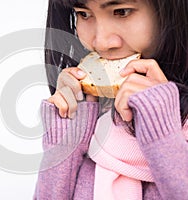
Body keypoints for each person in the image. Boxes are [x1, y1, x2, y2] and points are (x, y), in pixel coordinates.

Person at [34, 0, 188, 199]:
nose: (101, 42)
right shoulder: (96, 116)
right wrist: (68, 131)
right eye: (84, 14)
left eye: (121, 12)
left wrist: (162, 131)